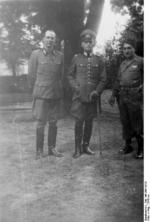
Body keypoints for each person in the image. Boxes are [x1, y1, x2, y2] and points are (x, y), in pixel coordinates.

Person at [68, 29, 106, 158]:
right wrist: (75, 87)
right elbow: (69, 75)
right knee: (79, 122)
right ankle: (77, 148)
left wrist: (97, 91)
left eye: (90, 42)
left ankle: (86, 146)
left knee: (89, 122)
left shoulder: (98, 59)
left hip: (92, 97)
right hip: (79, 97)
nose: (88, 44)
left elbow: (103, 78)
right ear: (82, 44)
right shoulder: (76, 58)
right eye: (85, 42)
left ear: (94, 43)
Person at [28, 30, 64, 159]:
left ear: (55, 41)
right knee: (40, 123)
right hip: (41, 95)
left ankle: (52, 148)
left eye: (52, 38)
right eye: (48, 38)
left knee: (53, 122)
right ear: (43, 39)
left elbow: (61, 75)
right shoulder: (35, 55)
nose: (50, 40)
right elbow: (31, 76)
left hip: (55, 94)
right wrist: (37, 90)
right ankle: (39, 150)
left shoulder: (60, 55)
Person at [109, 39, 143, 159]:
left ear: (134, 49)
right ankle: (128, 145)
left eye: (129, 48)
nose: (127, 51)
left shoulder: (141, 61)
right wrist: (113, 95)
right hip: (122, 96)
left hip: (134, 96)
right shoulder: (122, 64)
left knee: (137, 122)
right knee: (125, 121)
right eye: (124, 48)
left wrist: (142, 88)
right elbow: (118, 80)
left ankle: (141, 148)